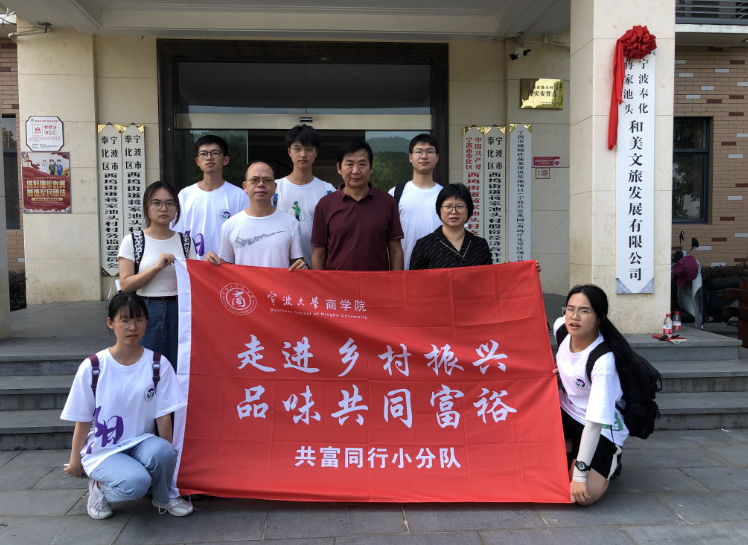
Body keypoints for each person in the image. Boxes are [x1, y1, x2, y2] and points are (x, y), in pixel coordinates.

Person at [61, 293, 192, 519]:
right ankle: (100, 488)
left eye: (139, 320)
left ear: (147, 322)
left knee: (164, 450)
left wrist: (167, 459)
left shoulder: (157, 364)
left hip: (141, 441)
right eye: (125, 320)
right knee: (136, 483)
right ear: (110, 323)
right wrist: (75, 461)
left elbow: (163, 417)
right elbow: (82, 418)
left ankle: (164, 496)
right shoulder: (94, 366)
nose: (133, 327)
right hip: (103, 450)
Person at [552, 284, 629, 505]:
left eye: (584, 311)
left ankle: (609, 459)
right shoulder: (562, 328)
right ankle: (571, 450)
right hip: (566, 409)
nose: (574, 316)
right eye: (570, 309)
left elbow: (595, 422)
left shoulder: (603, 362)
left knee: (582, 496)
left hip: (599, 426)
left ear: (600, 318)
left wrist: (579, 474)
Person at [118, 181, 197, 370]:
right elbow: (126, 284)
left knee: (178, 366)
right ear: (147, 206)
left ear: (176, 208)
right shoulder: (133, 241)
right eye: (156, 203)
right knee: (146, 365)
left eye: (170, 203)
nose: (163, 208)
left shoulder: (185, 241)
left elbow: (195, 279)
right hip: (145, 310)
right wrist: (156, 268)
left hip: (179, 310)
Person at [311, 139, 404, 271]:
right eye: (349, 164)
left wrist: (397, 281)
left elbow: (395, 250)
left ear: (371, 167)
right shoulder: (325, 205)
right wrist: (319, 283)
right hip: (336, 283)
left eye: (362, 164)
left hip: (377, 282)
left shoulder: (387, 202)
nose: (356, 171)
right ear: (338, 168)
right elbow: (319, 254)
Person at [206, 160, 307, 270]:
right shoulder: (230, 225)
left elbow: (296, 266)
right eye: (254, 180)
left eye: (267, 180)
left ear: (275, 187)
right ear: (245, 186)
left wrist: (302, 267)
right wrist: (209, 262)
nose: (261, 184)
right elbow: (225, 269)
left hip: (279, 282)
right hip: (243, 282)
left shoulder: (291, 223)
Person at [172, 135, 248, 259]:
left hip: (226, 265)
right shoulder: (185, 195)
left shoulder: (239, 196)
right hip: (193, 265)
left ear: (225, 160)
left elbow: (245, 235)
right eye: (203, 154)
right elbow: (176, 233)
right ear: (197, 161)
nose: (209, 157)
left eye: (215, 153)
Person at [274, 125, 334, 266]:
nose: (303, 154)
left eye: (309, 149)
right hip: (281, 267)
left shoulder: (328, 190)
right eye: (297, 149)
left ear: (316, 152)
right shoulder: (275, 188)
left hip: (317, 268)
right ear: (289, 151)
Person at [389, 134, 444, 270]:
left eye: (429, 151)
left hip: (440, 269)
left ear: (437, 158)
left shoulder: (447, 195)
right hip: (404, 270)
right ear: (410, 157)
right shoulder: (395, 193)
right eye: (419, 151)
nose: (424, 156)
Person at [408, 183, 492, 269]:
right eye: (448, 206)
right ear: (439, 209)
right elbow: (416, 276)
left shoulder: (480, 244)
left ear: (468, 209)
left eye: (460, 206)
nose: (454, 212)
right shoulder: (424, 245)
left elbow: (489, 275)